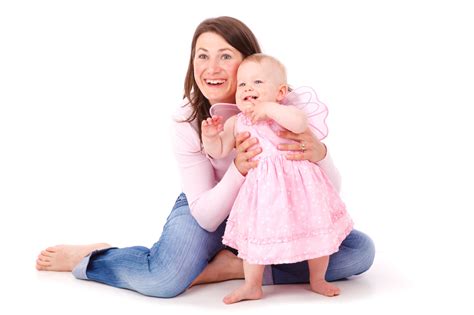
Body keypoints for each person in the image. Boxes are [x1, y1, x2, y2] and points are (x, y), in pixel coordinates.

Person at [35, 16, 375, 299]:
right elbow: (208, 216)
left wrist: (320, 153)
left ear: (249, 60)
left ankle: (235, 266)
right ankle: (95, 258)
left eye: (225, 56)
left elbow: (327, 191)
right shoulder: (188, 122)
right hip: (211, 206)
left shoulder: (283, 106)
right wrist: (238, 170)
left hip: (276, 209)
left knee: (358, 252)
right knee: (165, 279)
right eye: (202, 56)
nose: (212, 67)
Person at [201, 53, 353, 304]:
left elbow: (300, 122)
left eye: (258, 83)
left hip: (302, 190)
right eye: (242, 84)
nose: (248, 88)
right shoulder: (237, 122)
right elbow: (219, 150)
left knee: (317, 233)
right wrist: (210, 137)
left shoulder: (286, 112)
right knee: (255, 241)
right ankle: (252, 285)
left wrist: (270, 109)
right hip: (262, 196)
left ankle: (317, 279)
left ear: (280, 92)